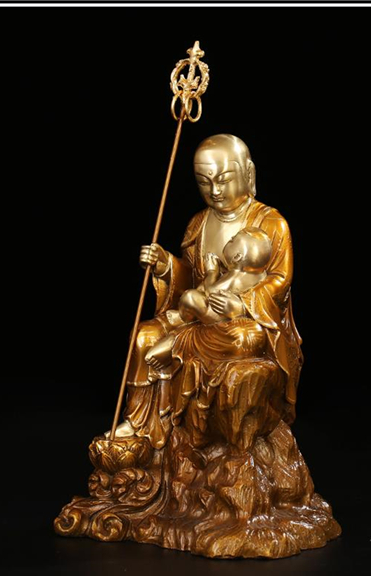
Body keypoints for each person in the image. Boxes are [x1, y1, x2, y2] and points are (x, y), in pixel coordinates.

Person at [110, 134, 303, 449]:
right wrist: (166, 266)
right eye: (204, 182)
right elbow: (191, 277)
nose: (215, 191)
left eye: (223, 180)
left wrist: (240, 304)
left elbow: (280, 280)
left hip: (240, 322)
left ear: (248, 173)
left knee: (246, 340)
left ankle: (178, 352)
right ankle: (143, 425)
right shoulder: (198, 223)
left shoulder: (270, 223)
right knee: (143, 336)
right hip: (196, 314)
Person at [144, 226, 272, 370]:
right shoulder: (259, 274)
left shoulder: (236, 275)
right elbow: (189, 269)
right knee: (144, 337)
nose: (229, 239)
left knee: (190, 297)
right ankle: (179, 336)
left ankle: (181, 325)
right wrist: (166, 264)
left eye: (232, 240)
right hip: (220, 320)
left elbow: (211, 292)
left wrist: (212, 272)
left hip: (223, 322)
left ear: (237, 257)